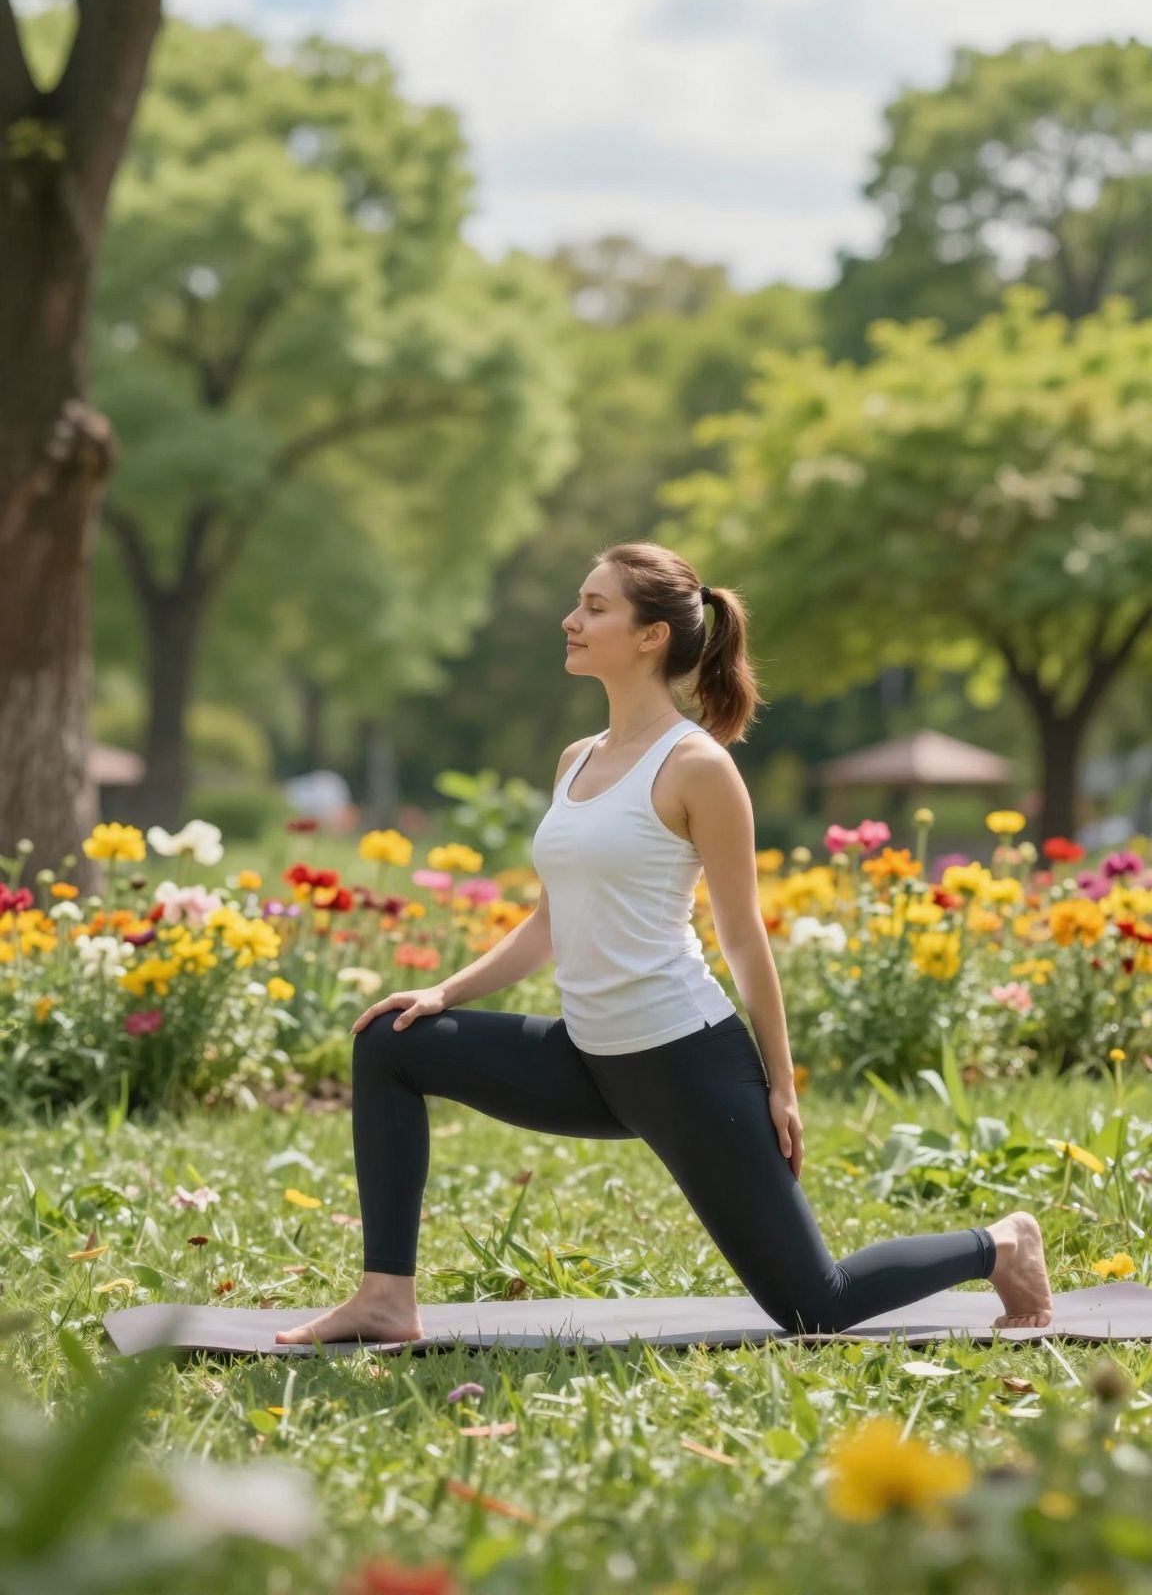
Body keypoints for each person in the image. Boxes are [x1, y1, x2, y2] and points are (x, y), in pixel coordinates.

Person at [276, 542, 1053, 1347]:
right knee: (391, 1042)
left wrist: (781, 1085)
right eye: (580, 603)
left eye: (596, 607)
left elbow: (743, 939)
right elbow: (548, 923)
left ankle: (998, 1244)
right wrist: (443, 995)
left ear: (651, 636)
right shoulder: (576, 761)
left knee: (810, 1305)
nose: (572, 620)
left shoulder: (697, 767)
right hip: (588, 1061)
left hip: (686, 1065)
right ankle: (385, 1298)